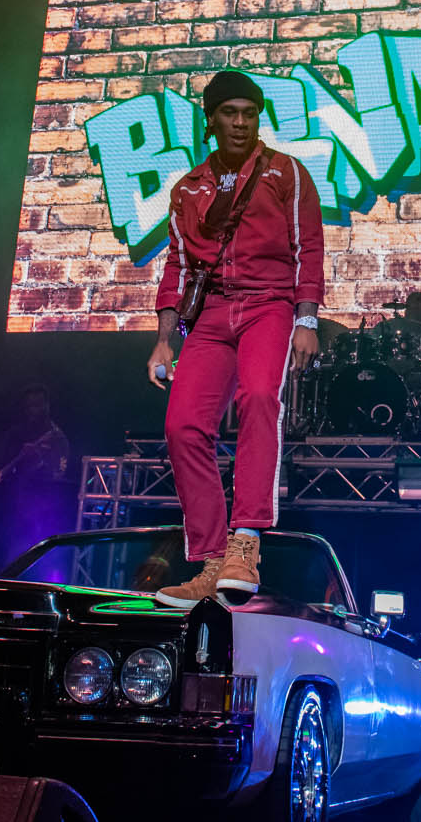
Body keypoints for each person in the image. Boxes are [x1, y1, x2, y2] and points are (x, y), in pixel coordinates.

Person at [145, 71, 324, 608]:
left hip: (268, 306)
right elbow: (177, 265)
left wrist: (306, 320)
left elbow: (308, 246)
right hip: (210, 316)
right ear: (212, 119)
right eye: (230, 112)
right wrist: (164, 341)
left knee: (260, 399)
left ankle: (246, 540)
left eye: (249, 112)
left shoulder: (284, 172)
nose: (241, 122)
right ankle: (211, 560)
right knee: (181, 425)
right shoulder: (188, 189)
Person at [0, 384, 73, 571]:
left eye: (37, 405)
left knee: (30, 559)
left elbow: (59, 473)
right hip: (9, 506)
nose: (32, 410)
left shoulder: (57, 438)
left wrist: (39, 458)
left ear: (47, 406)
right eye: (29, 406)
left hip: (41, 510)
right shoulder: (14, 433)